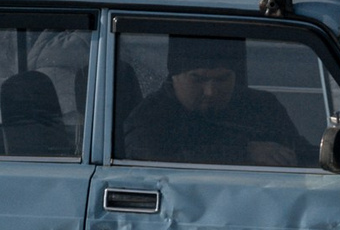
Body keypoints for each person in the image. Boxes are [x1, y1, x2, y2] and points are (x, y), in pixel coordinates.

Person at [121, 35, 303, 167]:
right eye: (198, 79)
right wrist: (244, 152)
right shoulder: (149, 118)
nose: (210, 91)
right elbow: (150, 163)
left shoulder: (262, 106)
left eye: (222, 79)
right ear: (175, 77)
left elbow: (301, 152)